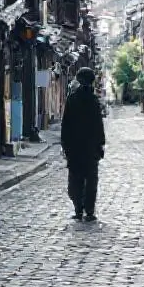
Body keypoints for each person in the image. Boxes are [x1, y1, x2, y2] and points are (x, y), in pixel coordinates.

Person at [61, 66, 106, 221]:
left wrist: (65, 145)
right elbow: (98, 124)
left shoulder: (72, 99)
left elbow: (65, 124)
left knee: (75, 179)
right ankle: (90, 211)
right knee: (91, 180)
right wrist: (100, 144)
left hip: (74, 148)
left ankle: (78, 208)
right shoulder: (93, 100)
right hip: (90, 148)